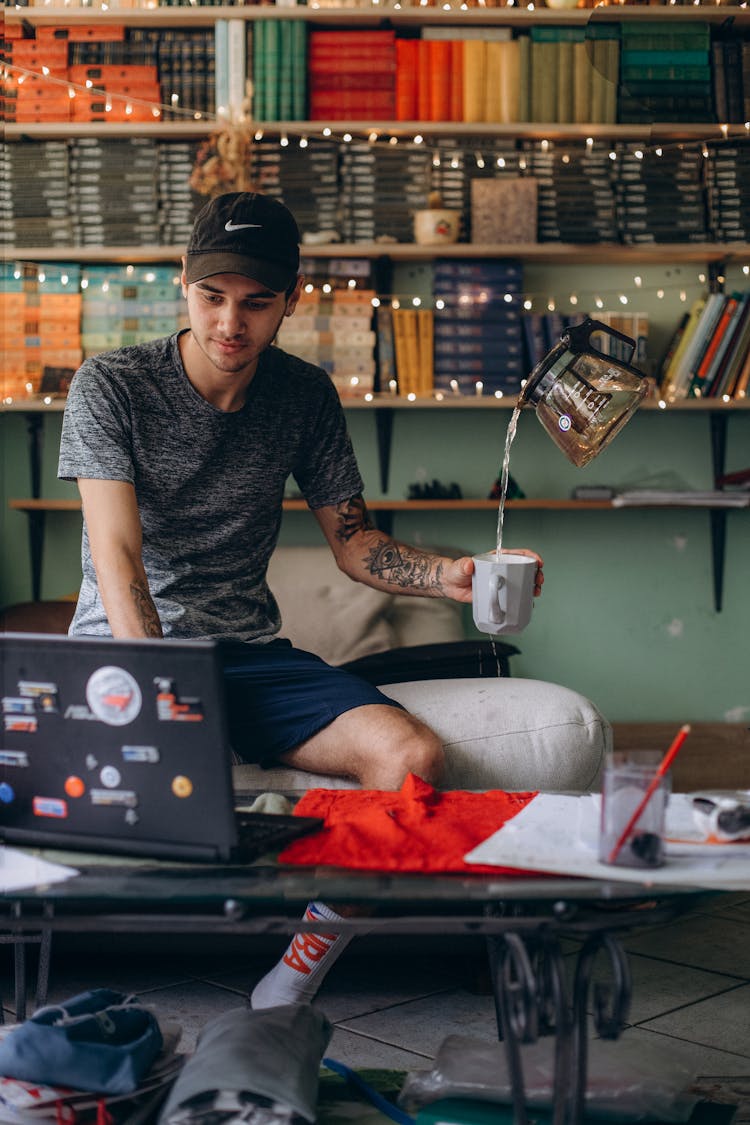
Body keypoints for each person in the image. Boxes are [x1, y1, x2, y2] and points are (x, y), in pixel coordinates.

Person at [58, 190, 543, 1009]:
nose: (229, 324)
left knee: (412, 758)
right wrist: (164, 692)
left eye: (255, 303)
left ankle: (301, 961)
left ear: (291, 300)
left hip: (249, 656)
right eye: (212, 298)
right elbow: (118, 551)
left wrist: (451, 574)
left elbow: (357, 544)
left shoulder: (304, 395)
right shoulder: (112, 385)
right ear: (184, 283)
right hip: (130, 648)